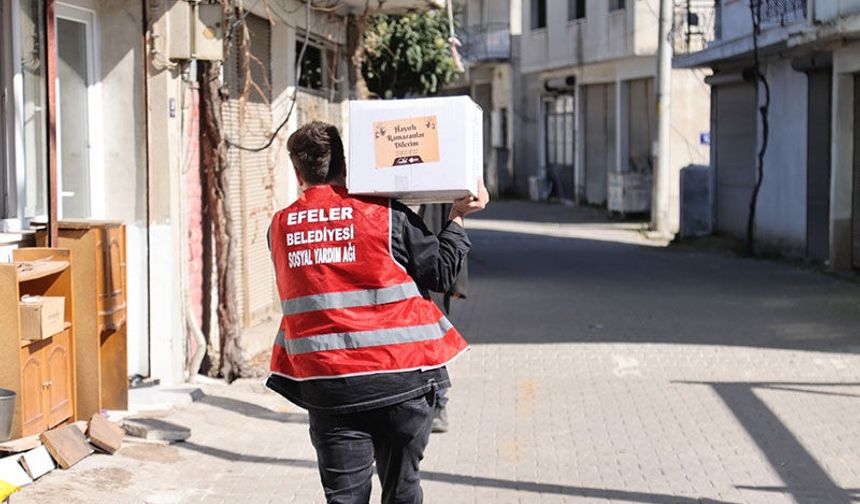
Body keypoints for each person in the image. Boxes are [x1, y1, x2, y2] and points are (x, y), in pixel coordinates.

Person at [266, 121, 489, 504]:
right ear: (346, 167)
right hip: (400, 381)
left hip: (329, 386)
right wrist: (456, 217)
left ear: (297, 172)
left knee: (345, 498)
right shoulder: (386, 214)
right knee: (402, 491)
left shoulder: (281, 226)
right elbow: (441, 273)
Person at [417, 203, 469, 433]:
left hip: (431, 275)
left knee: (433, 341)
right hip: (397, 275)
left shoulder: (435, 188)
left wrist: (457, 282)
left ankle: (438, 403)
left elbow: (453, 229)